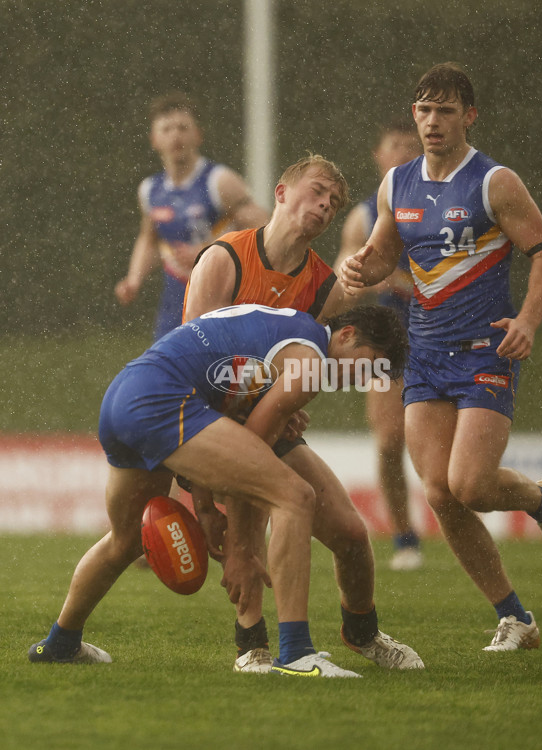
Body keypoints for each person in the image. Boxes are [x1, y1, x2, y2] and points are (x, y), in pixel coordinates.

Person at [28, 303, 421, 678]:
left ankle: (60, 643)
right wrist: (241, 550)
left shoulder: (288, 332)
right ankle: (297, 654)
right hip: (162, 401)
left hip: (124, 396)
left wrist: (206, 510)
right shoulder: (311, 361)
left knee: (127, 538)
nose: (358, 379)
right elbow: (253, 449)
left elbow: (229, 437)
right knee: (295, 497)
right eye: (365, 365)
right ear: (346, 334)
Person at [338, 62, 542, 652]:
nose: (431, 121)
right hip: (424, 352)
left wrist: (527, 321)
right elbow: (380, 254)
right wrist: (358, 268)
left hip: (485, 348)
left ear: (468, 116)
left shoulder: (495, 181)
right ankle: (517, 619)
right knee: (441, 493)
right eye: (423, 109)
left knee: (470, 484)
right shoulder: (397, 184)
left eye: (445, 110)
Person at [182, 154, 424, 674]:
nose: (324, 205)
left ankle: (362, 633)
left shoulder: (324, 288)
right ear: (281, 192)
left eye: (333, 202)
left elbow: (314, 364)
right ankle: (252, 645)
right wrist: (205, 494)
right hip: (203, 419)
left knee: (352, 536)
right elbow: (192, 365)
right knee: (224, 529)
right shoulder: (224, 259)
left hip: (262, 421)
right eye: (317, 192)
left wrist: (288, 406)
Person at [334, 119, 424, 571]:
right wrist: (370, 278)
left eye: (413, 146)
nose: (406, 153)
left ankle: (451, 518)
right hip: (389, 342)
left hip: (441, 336)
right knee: (390, 441)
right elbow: (342, 284)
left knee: (435, 449)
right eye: (396, 145)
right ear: (379, 155)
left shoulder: (442, 204)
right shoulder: (365, 217)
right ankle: (405, 536)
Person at [114, 92, 269, 340]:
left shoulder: (219, 181)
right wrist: (134, 279)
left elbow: (267, 230)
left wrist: (208, 251)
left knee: (219, 373)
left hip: (224, 297)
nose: (175, 135)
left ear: (198, 135)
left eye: (183, 128)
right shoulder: (150, 190)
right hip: (175, 301)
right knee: (165, 373)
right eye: (166, 129)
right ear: (154, 139)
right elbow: (149, 239)